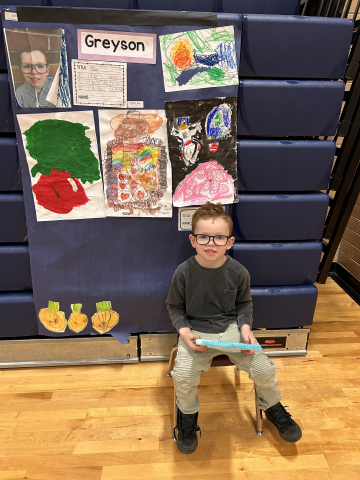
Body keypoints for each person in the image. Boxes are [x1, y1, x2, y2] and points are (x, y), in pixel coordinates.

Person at [166, 202, 302, 454]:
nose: (211, 243)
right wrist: (185, 333)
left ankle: (272, 407)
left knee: (264, 368)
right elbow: (174, 308)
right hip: (195, 332)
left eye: (219, 238)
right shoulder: (183, 272)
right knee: (183, 375)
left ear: (229, 242)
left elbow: (243, 305)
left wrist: (246, 329)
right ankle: (187, 419)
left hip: (232, 331)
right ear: (192, 240)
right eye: (203, 236)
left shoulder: (239, 272)